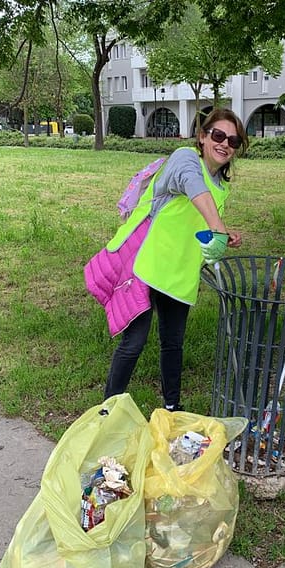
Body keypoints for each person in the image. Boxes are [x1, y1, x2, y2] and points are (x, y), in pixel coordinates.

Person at [103, 108, 248, 411]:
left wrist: (221, 233)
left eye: (233, 141)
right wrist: (218, 228)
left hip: (180, 273)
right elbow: (193, 188)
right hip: (147, 264)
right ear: (202, 137)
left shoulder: (221, 186)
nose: (225, 145)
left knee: (173, 343)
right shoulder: (185, 159)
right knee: (134, 342)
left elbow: (198, 218)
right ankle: (108, 409)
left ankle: (172, 407)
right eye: (218, 135)